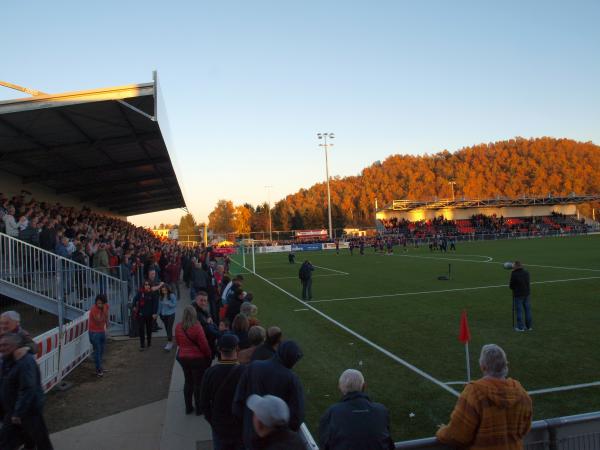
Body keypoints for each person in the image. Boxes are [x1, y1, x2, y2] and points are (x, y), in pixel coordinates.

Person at [436, 344, 532, 450]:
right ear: (506, 365)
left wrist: (442, 432)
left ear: (483, 367)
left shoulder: (474, 393)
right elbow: (525, 429)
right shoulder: (522, 394)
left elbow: (458, 436)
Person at [233, 340, 305, 449]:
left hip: (249, 435)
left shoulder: (254, 366)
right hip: (274, 441)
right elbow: (296, 417)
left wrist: (247, 426)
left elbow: (237, 402)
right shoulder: (292, 379)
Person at [0, 333, 54, 450]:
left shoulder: (24, 361)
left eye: (5, 345)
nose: (2, 348)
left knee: (41, 441)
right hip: (12, 410)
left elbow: (28, 388)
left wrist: (18, 413)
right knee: (6, 442)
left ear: (15, 346)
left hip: (28, 411)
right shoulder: (6, 359)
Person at [319, 369, 394, 450]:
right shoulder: (381, 410)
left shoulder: (332, 412)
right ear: (364, 386)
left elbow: (324, 443)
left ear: (339, 387)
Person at [200, 334, 245, 450]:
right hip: (239, 426)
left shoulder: (210, 373)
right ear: (237, 349)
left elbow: (204, 403)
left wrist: (213, 421)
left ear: (219, 350)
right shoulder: (245, 372)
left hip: (219, 425)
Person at [175, 305, 212, 415]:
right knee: (198, 383)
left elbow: (178, 342)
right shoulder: (197, 327)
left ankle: (188, 407)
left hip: (183, 357)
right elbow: (204, 344)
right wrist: (208, 355)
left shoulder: (178, 326)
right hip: (197, 358)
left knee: (188, 381)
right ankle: (199, 408)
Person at [132, 280, 158, 350]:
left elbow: (155, 304)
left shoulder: (153, 294)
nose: (146, 286)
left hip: (149, 315)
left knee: (149, 329)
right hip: (141, 314)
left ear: (150, 286)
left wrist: (154, 313)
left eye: (148, 284)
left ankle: (149, 342)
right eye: (145, 284)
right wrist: (134, 306)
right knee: (141, 329)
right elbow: (134, 299)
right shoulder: (140, 293)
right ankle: (142, 344)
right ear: (144, 285)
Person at [88, 294, 109, 377]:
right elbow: (98, 320)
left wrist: (107, 325)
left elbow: (106, 317)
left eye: (101, 303)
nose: (99, 304)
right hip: (94, 332)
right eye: (98, 303)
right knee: (97, 351)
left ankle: (100, 366)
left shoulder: (106, 306)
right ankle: (98, 370)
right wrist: (104, 311)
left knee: (101, 350)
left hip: (101, 331)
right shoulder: (94, 309)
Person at [509, 261, 532, 331]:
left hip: (518, 294)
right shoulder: (526, 272)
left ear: (516, 266)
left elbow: (511, 286)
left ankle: (520, 327)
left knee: (519, 311)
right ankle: (529, 327)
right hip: (526, 293)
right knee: (528, 310)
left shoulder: (514, 274)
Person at [158, 284, 177, 351]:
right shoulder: (161, 296)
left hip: (171, 314)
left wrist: (168, 303)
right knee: (167, 328)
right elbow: (159, 307)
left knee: (169, 328)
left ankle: (169, 342)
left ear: (167, 289)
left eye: (165, 290)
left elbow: (175, 304)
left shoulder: (171, 295)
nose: (164, 291)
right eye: (162, 290)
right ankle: (170, 341)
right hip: (163, 315)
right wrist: (157, 314)